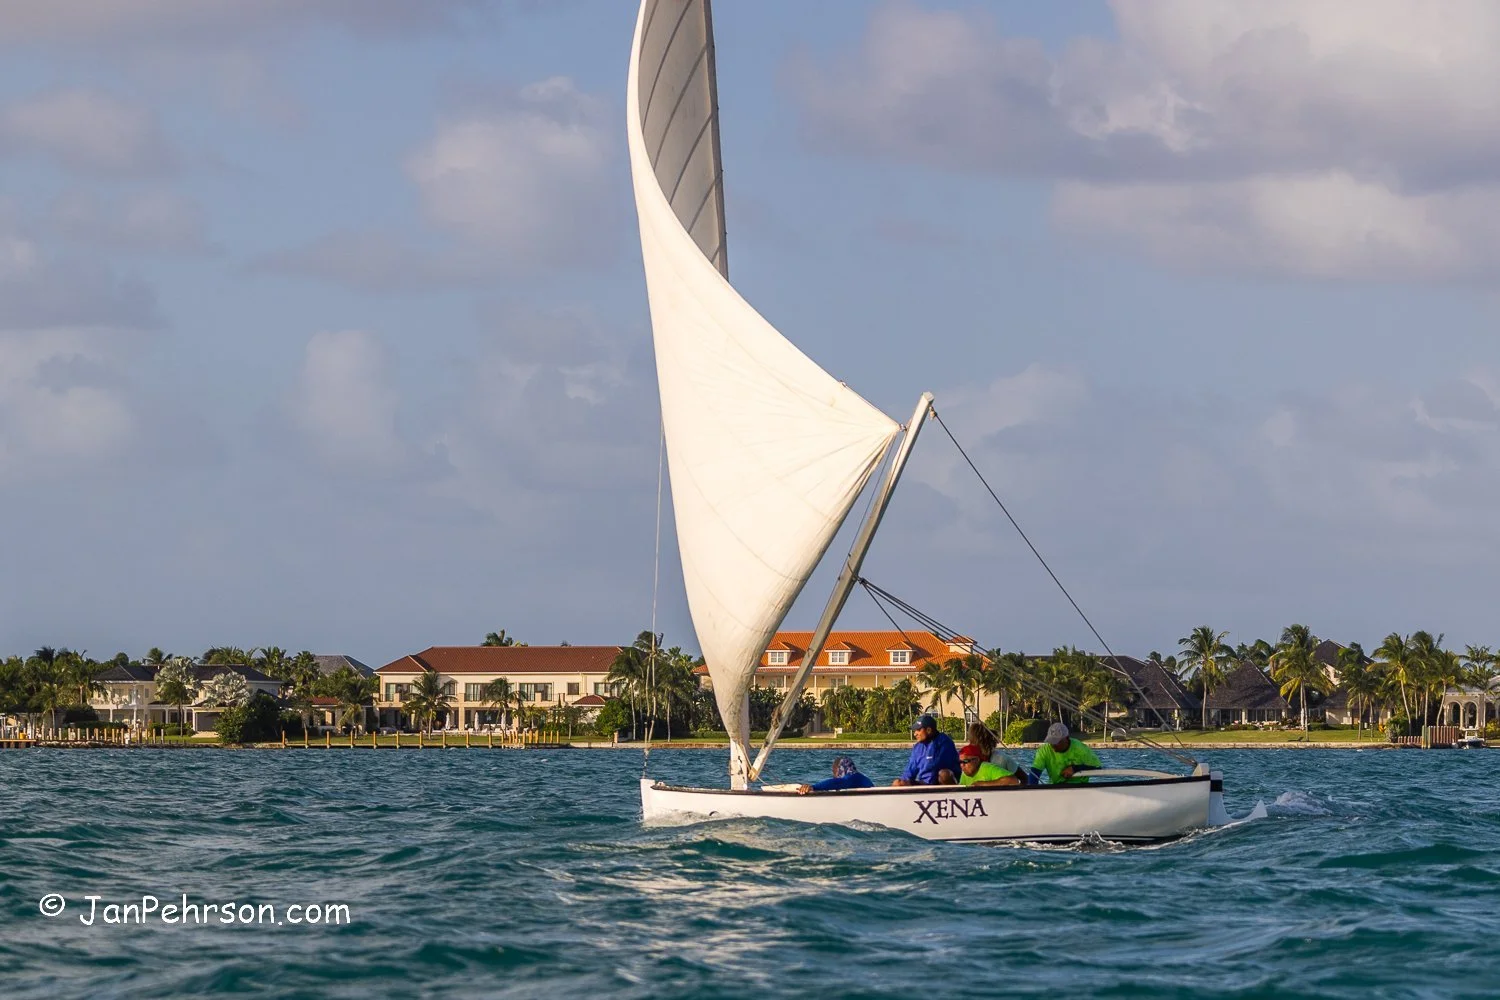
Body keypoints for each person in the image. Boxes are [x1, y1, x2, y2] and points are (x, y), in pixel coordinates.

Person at [893, 714, 960, 786]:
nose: (915, 734)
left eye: (918, 730)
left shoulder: (945, 742)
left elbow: (938, 766)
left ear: (928, 730)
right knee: (898, 783)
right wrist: (903, 782)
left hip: (942, 782)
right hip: (925, 784)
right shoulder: (917, 747)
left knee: (944, 774)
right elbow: (909, 772)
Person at [1032, 722, 1101, 785]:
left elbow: (1098, 768)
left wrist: (1076, 768)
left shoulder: (1081, 749)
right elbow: (1034, 773)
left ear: (1067, 738)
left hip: (1079, 787)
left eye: (1057, 741)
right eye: (1051, 741)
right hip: (1055, 787)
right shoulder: (1044, 750)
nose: (1053, 745)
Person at [797, 756, 874, 794]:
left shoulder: (852, 777)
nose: (834, 776)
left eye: (834, 773)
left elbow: (838, 782)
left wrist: (813, 787)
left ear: (839, 769)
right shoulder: (860, 778)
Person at [957, 742, 1022, 786]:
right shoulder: (965, 773)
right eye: (960, 762)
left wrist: (983, 784)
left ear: (977, 760)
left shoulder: (988, 768)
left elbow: (1013, 780)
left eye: (965, 761)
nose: (962, 765)